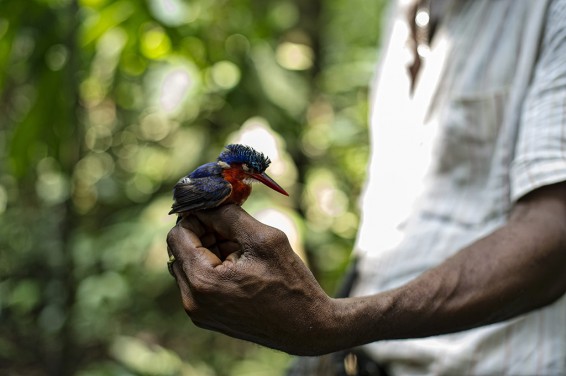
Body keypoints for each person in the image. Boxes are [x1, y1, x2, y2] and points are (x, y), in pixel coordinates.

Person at [166, 0, 566, 374]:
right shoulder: (401, 9)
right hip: (372, 360)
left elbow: (554, 236)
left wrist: (336, 322)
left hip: (494, 363)